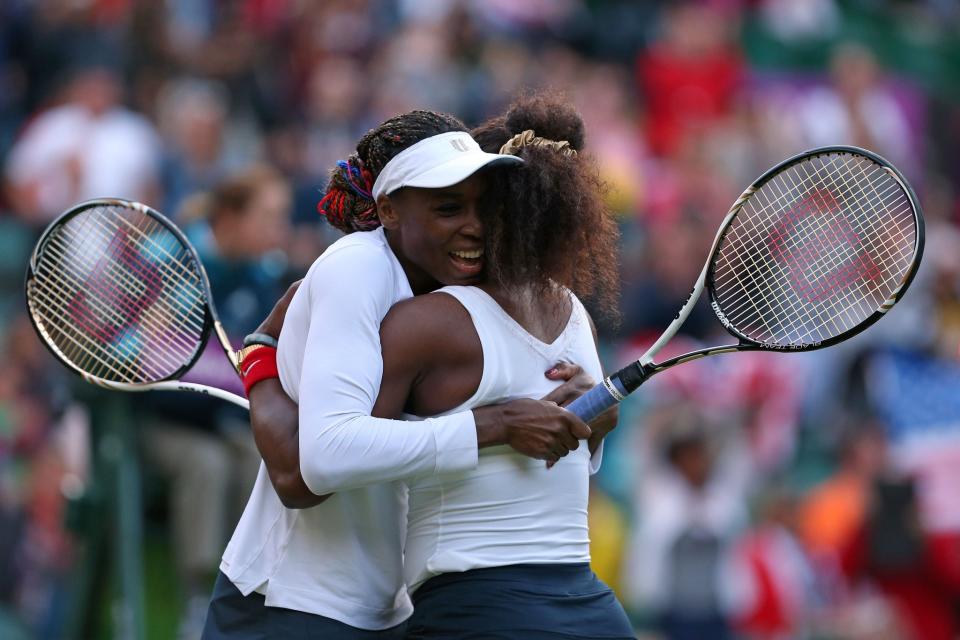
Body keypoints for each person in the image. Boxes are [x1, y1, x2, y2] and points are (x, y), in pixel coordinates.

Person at [205, 110, 599, 639]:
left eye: (485, 207)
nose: (475, 227)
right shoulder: (358, 268)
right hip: (291, 604)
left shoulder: (467, 290)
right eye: (447, 208)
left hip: (395, 610)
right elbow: (308, 473)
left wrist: (591, 418)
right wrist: (499, 424)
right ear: (388, 209)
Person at [367, 93, 633, 638]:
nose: (465, 223)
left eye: (474, 206)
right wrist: (500, 426)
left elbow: (341, 456)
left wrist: (598, 421)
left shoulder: (427, 322)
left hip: (481, 602)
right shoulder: (574, 313)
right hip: (583, 606)